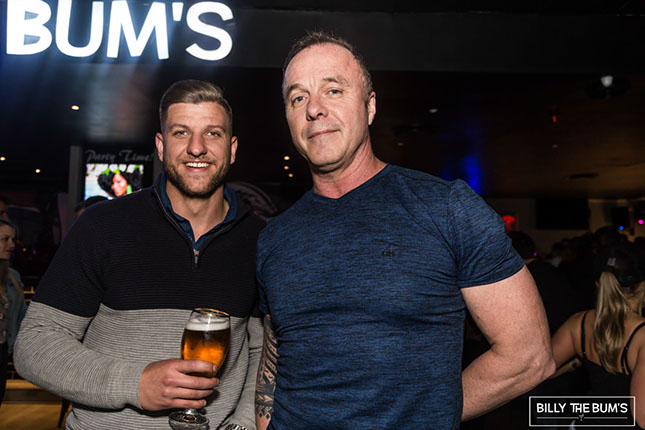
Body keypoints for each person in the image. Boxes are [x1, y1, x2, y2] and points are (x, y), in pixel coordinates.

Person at [254, 31, 554, 430]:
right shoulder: (274, 237)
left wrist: (425, 415)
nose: (314, 109)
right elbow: (275, 358)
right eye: (298, 98)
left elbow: (529, 356)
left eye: (333, 90)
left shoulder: (447, 209)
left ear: (370, 106)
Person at [14, 80, 264, 430]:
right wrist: (136, 383)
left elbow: (262, 351)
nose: (197, 148)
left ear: (232, 148)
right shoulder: (102, 225)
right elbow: (34, 346)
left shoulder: (260, 240)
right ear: (161, 146)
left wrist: (243, 424)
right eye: (181, 133)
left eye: (213, 133)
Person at [551, 242, 645, 428]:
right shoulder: (641, 334)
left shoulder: (578, 322)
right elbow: (642, 417)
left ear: (597, 284)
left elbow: (540, 370)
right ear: (641, 287)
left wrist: (575, 362)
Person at [0, 219, 27, 406]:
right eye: (5, 239)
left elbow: (22, 316)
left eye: (13, 240)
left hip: (3, 351)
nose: (11, 245)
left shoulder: (13, 277)